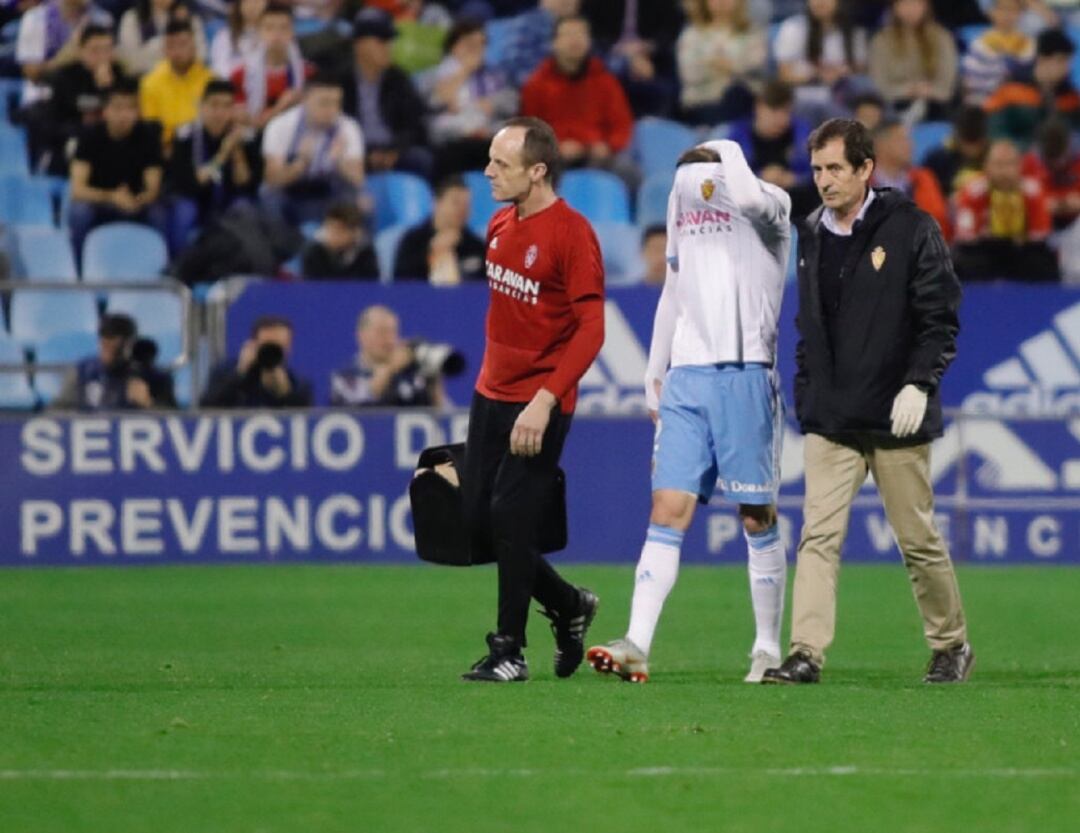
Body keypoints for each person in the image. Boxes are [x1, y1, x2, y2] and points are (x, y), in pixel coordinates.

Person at [762, 118, 973, 686]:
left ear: (864, 169)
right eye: (817, 169)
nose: (824, 180)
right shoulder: (809, 233)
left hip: (896, 414)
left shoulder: (910, 228)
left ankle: (951, 644)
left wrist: (919, 382)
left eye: (835, 168)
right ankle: (805, 652)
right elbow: (810, 328)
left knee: (917, 540)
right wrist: (810, 398)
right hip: (833, 418)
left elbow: (940, 318)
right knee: (817, 538)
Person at [586, 140, 791, 685]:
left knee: (756, 516)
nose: (693, 191)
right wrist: (655, 371)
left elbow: (744, 194)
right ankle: (636, 643)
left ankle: (767, 647)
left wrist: (723, 148)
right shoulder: (684, 210)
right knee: (667, 507)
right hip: (688, 378)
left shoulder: (769, 205)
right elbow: (673, 291)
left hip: (747, 373)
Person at [459, 116, 604, 683]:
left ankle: (509, 651)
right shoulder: (499, 222)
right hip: (490, 394)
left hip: (539, 402)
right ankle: (569, 606)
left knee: (509, 518)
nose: (488, 172)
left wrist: (545, 400)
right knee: (476, 524)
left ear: (537, 171)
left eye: (501, 164)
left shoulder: (572, 234)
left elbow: (591, 329)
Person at [68, 79, 166, 264]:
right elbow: (77, 190)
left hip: (135, 202)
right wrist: (111, 196)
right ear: (106, 111)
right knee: (79, 212)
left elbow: (153, 188)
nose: (124, 115)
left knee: (158, 213)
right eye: (118, 108)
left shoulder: (148, 137)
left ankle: (163, 270)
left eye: (130, 108)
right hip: (100, 202)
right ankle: (79, 267)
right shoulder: (89, 137)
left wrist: (139, 199)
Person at [520, 16, 634, 175]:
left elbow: (622, 125)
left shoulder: (606, 81)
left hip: (598, 156)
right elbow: (529, 131)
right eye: (568, 35)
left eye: (581, 34)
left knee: (628, 172)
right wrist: (555, 147)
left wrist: (608, 146)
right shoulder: (536, 84)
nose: (575, 40)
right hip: (553, 158)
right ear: (554, 42)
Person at [166, 79, 259, 253]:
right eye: (214, 105)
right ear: (202, 106)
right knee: (184, 210)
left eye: (227, 106)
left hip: (229, 203)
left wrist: (237, 152)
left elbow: (247, 185)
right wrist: (223, 155)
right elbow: (190, 184)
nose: (220, 113)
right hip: (197, 200)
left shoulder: (245, 138)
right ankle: (178, 265)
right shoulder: (185, 137)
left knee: (246, 208)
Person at [260, 73, 366, 226]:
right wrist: (301, 163)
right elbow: (272, 180)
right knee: (270, 198)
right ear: (305, 100)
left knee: (359, 200)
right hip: (292, 190)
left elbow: (358, 179)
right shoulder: (280, 126)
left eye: (336, 103)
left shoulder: (348, 128)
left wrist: (339, 162)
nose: (332, 110)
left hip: (329, 190)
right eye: (324, 103)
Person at [952, 138, 1058, 281]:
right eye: (998, 165)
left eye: (1010, 164)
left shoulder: (1034, 191)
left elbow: (1041, 234)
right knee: (961, 261)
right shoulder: (972, 192)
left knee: (1043, 262)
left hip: (1022, 251)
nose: (1004, 171)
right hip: (985, 251)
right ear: (986, 166)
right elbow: (966, 236)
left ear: (1020, 166)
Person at [344, 8, 432, 178]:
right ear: (359, 45)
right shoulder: (341, 80)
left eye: (390, 41)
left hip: (394, 149)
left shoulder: (398, 79)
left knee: (421, 159)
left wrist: (395, 150)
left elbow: (414, 123)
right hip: (354, 151)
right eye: (381, 41)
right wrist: (366, 153)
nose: (388, 47)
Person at [427, 18, 518, 179]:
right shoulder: (435, 74)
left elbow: (511, 103)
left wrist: (492, 104)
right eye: (470, 44)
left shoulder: (495, 75)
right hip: (452, 139)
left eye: (481, 44)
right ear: (455, 46)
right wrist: (465, 70)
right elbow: (437, 101)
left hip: (487, 136)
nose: (477, 50)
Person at [39, 24, 125, 176]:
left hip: (112, 147)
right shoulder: (63, 78)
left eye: (107, 50)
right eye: (95, 50)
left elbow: (124, 120)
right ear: (81, 51)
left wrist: (106, 89)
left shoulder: (121, 78)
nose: (102, 57)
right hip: (71, 144)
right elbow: (51, 127)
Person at [50, 313, 176, 411]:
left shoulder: (153, 377)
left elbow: (179, 420)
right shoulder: (82, 372)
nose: (109, 350)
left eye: (116, 346)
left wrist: (148, 403)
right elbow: (59, 410)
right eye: (105, 343)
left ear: (130, 344)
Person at [330, 304, 444, 406]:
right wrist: (389, 368)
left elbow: (446, 416)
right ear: (362, 336)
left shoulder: (410, 376)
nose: (389, 340)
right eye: (382, 332)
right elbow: (360, 404)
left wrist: (434, 383)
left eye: (393, 332)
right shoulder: (345, 377)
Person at [985, 28, 1080, 149]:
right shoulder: (1010, 91)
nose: (1066, 68)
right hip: (1016, 162)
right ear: (1042, 59)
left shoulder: (1071, 98)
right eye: (1060, 60)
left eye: (1068, 61)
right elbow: (995, 132)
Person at [676, 0, 767, 126]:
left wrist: (728, 66)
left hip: (744, 97)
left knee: (738, 94)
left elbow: (757, 64)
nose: (722, 2)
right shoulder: (691, 34)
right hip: (703, 101)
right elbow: (689, 73)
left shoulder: (752, 32)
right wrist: (724, 66)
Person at [868, 0, 957, 123]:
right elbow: (879, 85)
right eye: (905, 3)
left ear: (926, 5)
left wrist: (928, 92)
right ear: (894, 7)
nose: (910, 9)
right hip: (894, 107)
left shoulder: (942, 37)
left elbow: (946, 87)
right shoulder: (881, 40)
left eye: (916, 3)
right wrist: (909, 90)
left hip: (935, 106)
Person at [200, 315, 314, 407]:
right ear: (253, 344)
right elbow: (206, 408)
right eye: (266, 346)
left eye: (278, 347)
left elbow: (305, 421)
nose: (271, 352)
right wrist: (240, 375)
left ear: (288, 347)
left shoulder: (297, 382)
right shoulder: (224, 373)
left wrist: (285, 393)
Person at [393, 175, 485, 283]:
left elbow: (483, 285)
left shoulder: (476, 246)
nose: (462, 209)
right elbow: (401, 285)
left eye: (466, 205)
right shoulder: (412, 241)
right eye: (456, 203)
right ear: (436, 202)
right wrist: (432, 254)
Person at [139, 18, 214, 148]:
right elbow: (151, 127)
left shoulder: (210, 80)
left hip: (204, 146)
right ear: (164, 49)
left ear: (194, 46)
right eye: (171, 46)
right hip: (167, 149)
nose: (177, 51)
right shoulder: (150, 83)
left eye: (182, 44)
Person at [230, 3, 308, 129]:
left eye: (284, 28)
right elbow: (250, 124)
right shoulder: (240, 75)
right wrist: (281, 107)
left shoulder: (307, 74)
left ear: (292, 32)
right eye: (269, 28)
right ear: (259, 32)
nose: (277, 35)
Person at [871, 118, 951, 238]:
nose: (910, 145)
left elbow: (939, 222)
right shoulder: (861, 183)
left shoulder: (923, 179)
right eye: (901, 140)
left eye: (909, 139)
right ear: (880, 145)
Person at [960, 0, 1034, 106]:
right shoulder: (980, 43)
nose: (1007, 15)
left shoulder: (1027, 43)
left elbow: (1028, 76)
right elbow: (971, 81)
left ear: (1021, 13)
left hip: (1018, 102)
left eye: (1013, 10)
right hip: (983, 101)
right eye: (1002, 9)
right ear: (992, 12)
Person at [117, 0, 208, 76]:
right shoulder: (132, 18)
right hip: (144, 79)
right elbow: (130, 60)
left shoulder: (189, 18)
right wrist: (164, 44)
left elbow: (201, 55)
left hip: (184, 78)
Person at [923, 105, 990, 199]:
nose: (971, 150)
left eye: (976, 144)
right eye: (967, 144)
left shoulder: (995, 159)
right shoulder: (937, 160)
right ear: (957, 138)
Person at [301, 200, 379, 280]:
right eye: (329, 228)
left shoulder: (366, 253)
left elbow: (369, 287)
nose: (332, 235)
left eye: (338, 230)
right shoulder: (314, 252)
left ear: (355, 233)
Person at [209, 0, 266, 78]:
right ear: (240, 4)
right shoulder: (224, 37)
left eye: (257, 1)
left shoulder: (273, 35)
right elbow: (219, 70)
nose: (253, 5)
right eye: (247, 1)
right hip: (233, 85)